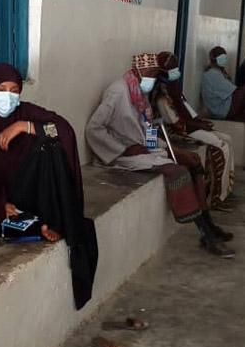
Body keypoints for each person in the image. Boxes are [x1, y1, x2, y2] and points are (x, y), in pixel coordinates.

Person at [0, 64, 98, 309]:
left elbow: (64, 130)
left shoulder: (26, 113)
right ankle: (37, 222)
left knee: (50, 146)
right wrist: (0, 204)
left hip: (30, 192)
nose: (8, 96)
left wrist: (26, 127)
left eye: (14, 90)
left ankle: (48, 221)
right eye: (1, 89)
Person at [86, 53, 234, 257]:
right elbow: (94, 128)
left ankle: (209, 223)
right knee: (178, 172)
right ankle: (206, 234)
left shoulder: (138, 91)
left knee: (193, 162)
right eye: (151, 73)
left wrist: (171, 149)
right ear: (140, 70)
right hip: (124, 153)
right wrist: (122, 149)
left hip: (144, 147)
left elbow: (147, 128)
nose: (153, 78)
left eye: (155, 74)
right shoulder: (118, 91)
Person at [153, 51, 235, 210]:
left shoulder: (174, 90)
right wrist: (198, 125)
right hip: (181, 133)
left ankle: (226, 190)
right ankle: (217, 198)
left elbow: (187, 111)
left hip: (190, 127)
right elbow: (177, 125)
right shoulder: (162, 97)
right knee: (221, 146)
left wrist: (199, 122)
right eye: (173, 68)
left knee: (228, 139)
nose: (176, 70)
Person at [201, 46, 245, 125]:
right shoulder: (211, 74)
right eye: (222, 57)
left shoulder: (218, 72)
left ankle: (240, 112)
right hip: (220, 110)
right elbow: (233, 91)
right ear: (215, 58)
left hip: (224, 105)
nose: (224, 60)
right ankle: (236, 113)